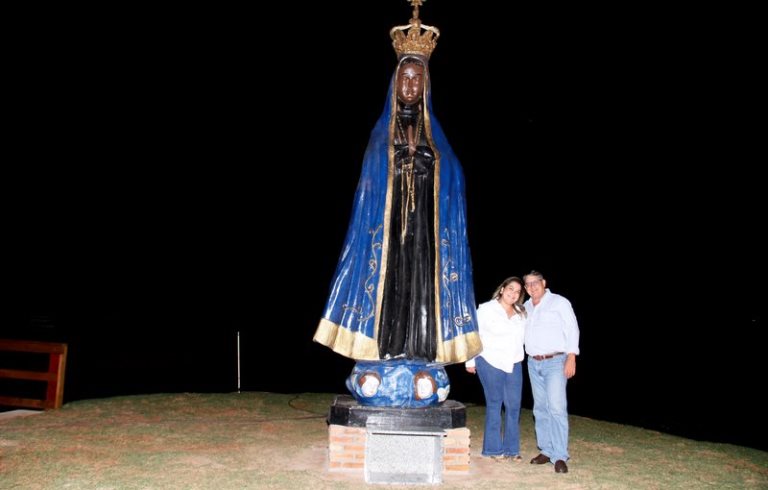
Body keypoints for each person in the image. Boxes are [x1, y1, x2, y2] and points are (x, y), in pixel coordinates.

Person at [313, 7, 481, 368]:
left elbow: (454, 176)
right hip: (387, 235)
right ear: (394, 82)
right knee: (391, 287)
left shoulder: (435, 134)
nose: (409, 85)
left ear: (426, 85)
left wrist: (429, 166)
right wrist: (395, 166)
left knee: (421, 288)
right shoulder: (380, 135)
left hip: (424, 234)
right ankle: (383, 348)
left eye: (416, 79)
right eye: (404, 77)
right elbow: (370, 184)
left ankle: (421, 351)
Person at [523, 270, 580, 474]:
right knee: (540, 408)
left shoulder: (559, 302)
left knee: (556, 407)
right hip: (533, 363)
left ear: (543, 282)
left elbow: (572, 328)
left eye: (535, 283)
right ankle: (546, 450)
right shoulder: (526, 307)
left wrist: (571, 356)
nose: (531, 287)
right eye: (528, 284)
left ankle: (560, 456)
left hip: (555, 361)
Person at [466, 277, 527, 461]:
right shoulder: (486, 309)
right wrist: (470, 361)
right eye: (510, 289)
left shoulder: (521, 313)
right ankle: (493, 450)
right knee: (495, 403)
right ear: (502, 289)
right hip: (490, 360)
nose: (513, 293)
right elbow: (473, 334)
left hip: (514, 362)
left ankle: (511, 449)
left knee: (514, 406)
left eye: (517, 291)